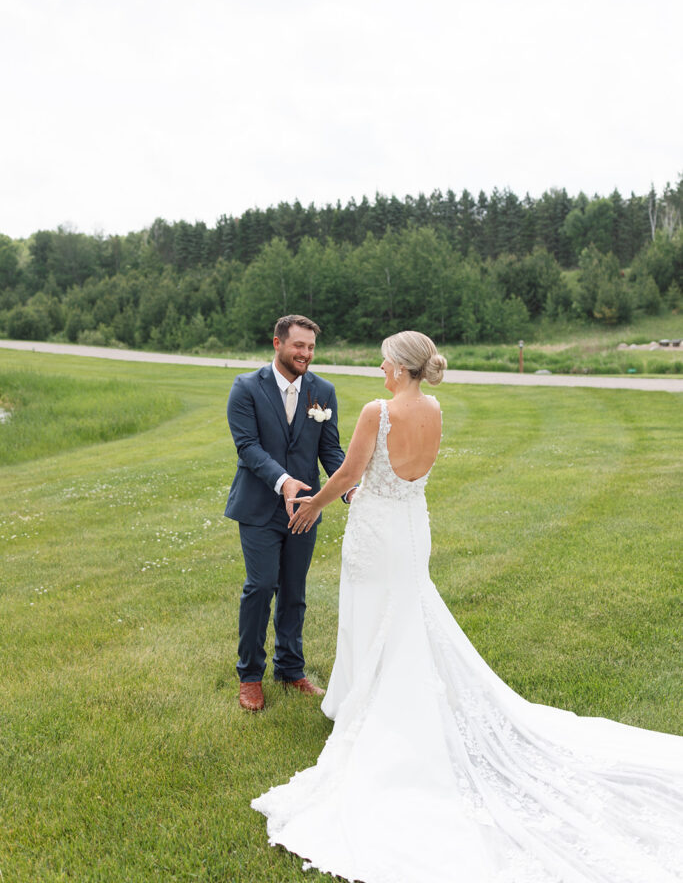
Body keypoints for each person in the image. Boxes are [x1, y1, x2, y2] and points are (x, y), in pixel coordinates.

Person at [251, 330, 683, 883]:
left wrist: (314, 502)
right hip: (412, 524)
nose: (380, 368)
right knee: (406, 611)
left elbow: (350, 475)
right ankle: (374, 694)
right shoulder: (432, 407)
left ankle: (380, 708)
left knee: (377, 611)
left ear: (400, 367)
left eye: (385, 361)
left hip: (380, 529)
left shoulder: (375, 410)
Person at [225, 314, 355, 713]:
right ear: (278, 344)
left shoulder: (323, 391)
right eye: (299, 346)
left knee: (295, 592)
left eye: (311, 347)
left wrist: (349, 487)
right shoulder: (246, 387)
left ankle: (290, 669)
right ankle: (250, 676)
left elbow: (330, 450)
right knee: (261, 586)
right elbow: (247, 447)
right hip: (260, 506)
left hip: (305, 509)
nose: (306, 354)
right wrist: (283, 481)